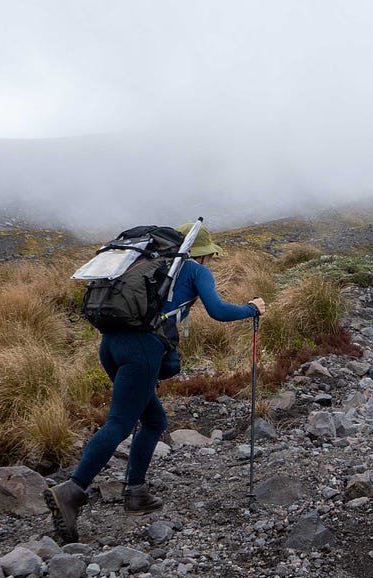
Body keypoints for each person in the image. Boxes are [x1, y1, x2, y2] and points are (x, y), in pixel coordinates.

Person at [46, 225, 266, 541]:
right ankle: (72, 490)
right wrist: (251, 309)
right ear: (201, 252)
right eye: (210, 256)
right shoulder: (193, 270)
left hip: (111, 345)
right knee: (119, 423)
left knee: (153, 420)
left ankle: (135, 493)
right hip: (142, 350)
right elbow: (217, 311)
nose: (211, 261)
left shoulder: (143, 266)